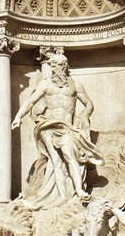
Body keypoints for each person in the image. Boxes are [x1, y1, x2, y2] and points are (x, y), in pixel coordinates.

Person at [11, 52, 102, 204]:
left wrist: (84, 115)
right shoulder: (45, 84)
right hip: (48, 126)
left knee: (69, 155)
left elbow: (89, 104)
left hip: (67, 127)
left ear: (66, 66)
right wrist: (18, 117)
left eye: (59, 65)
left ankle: (79, 190)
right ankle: (62, 198)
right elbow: (30, 102)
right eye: (53, 65)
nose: (56, 68)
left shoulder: (76, 86)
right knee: (56, 162)